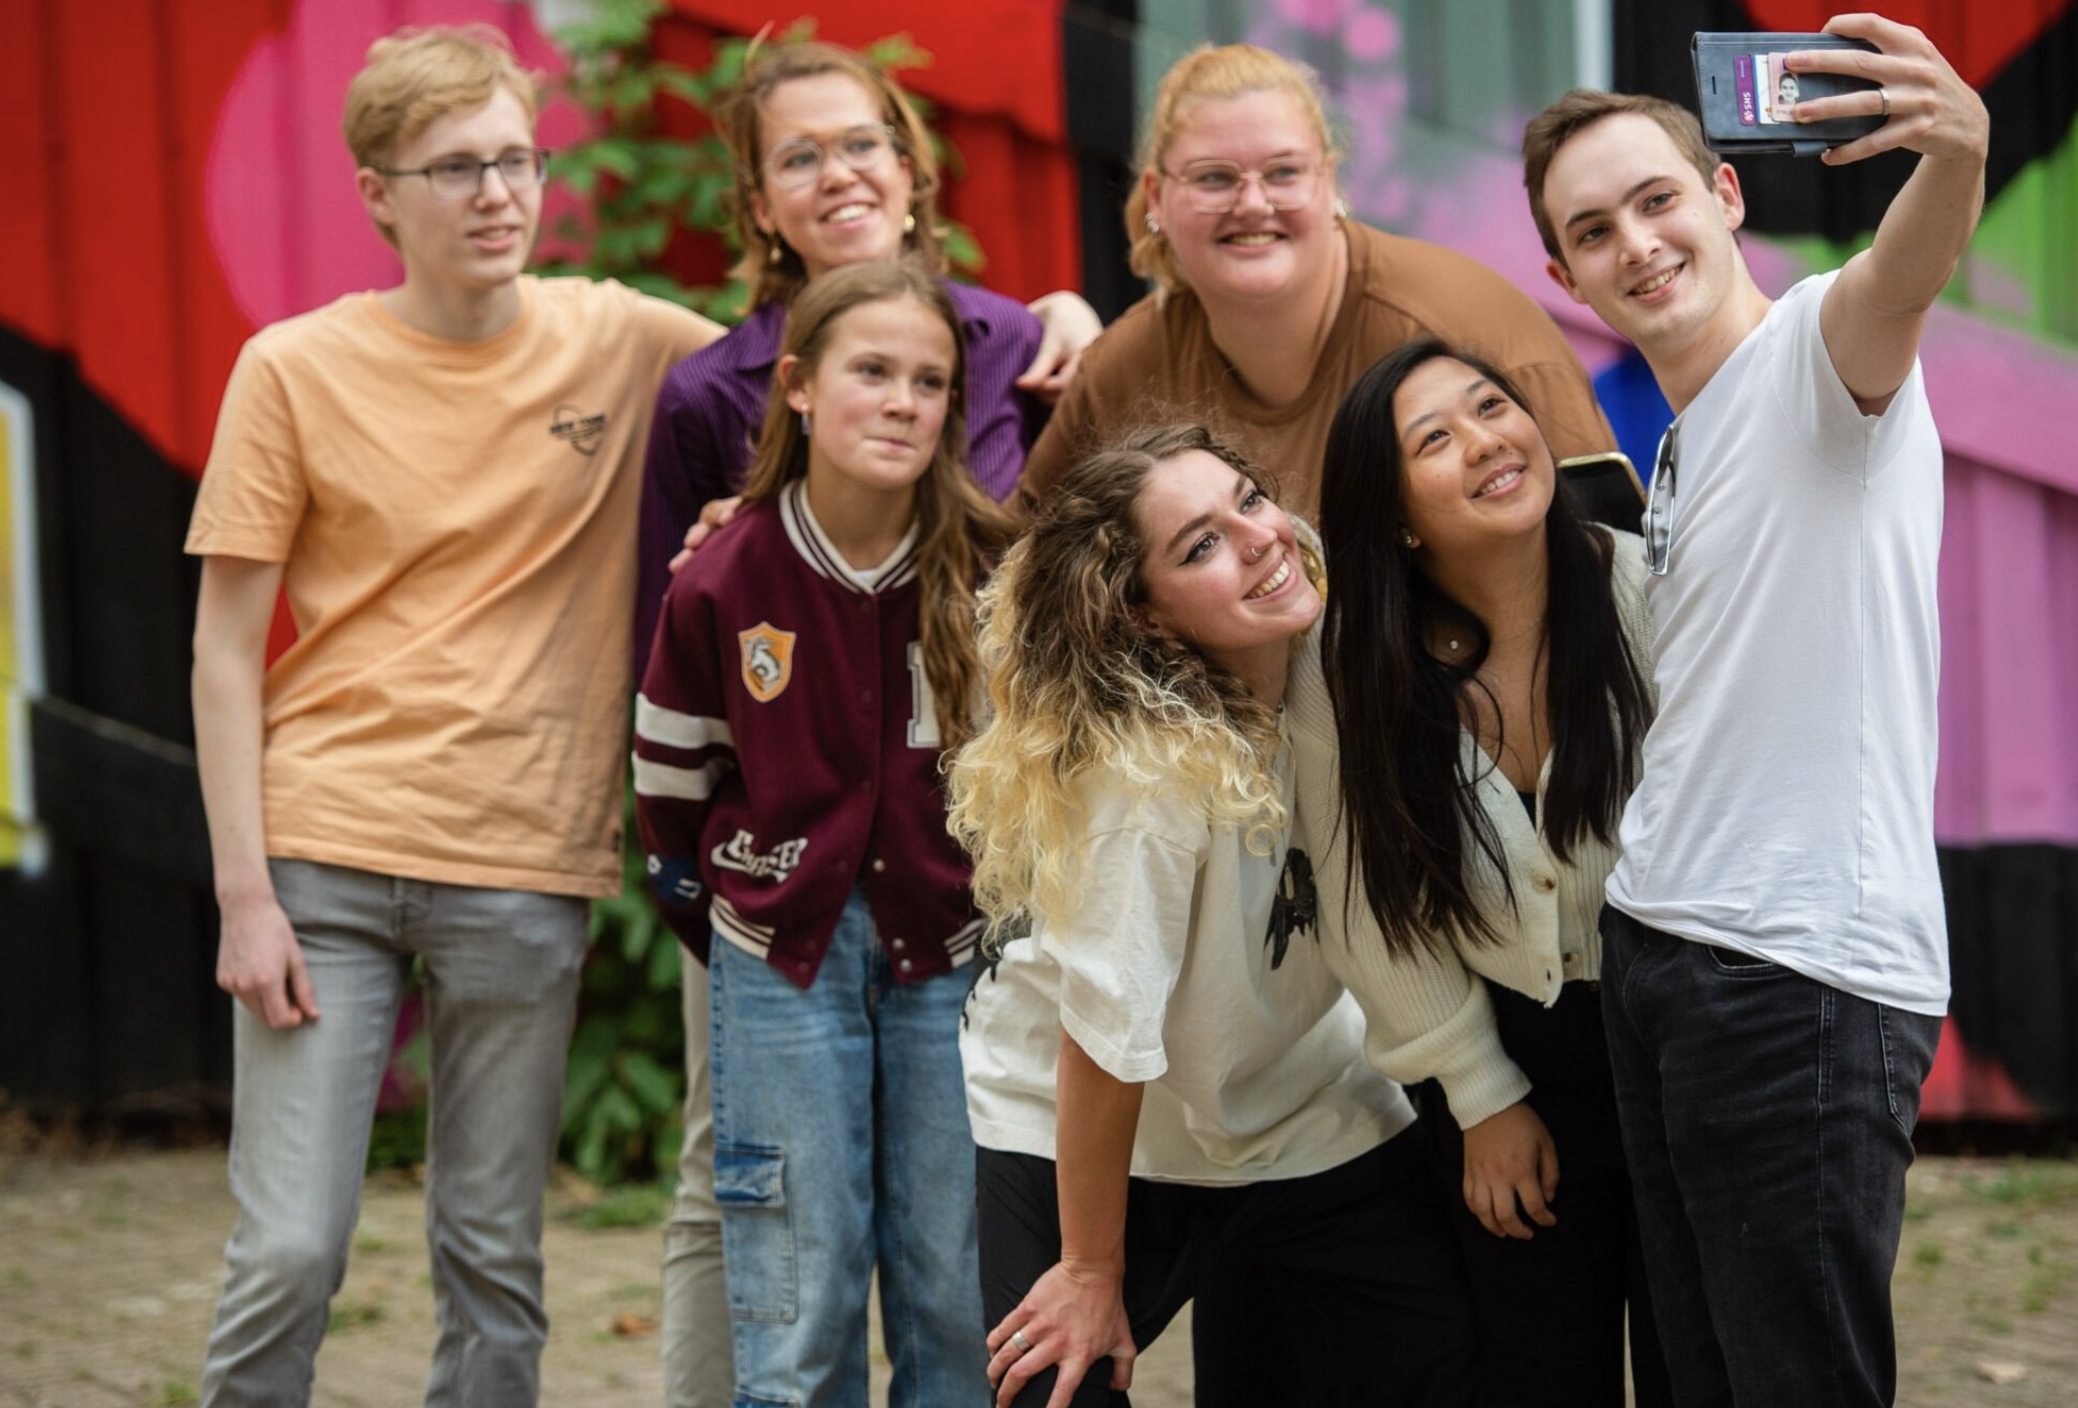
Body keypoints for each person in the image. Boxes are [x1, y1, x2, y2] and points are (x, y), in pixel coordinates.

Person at [186, 26, 722, 1407]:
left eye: (516, 161)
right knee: (292, 1247)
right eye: (455, 168)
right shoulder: (291, 370)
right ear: (377, 193)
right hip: (324, 857)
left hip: (518, 861)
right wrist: (245, 897)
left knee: (495, 1259)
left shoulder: (621, 340)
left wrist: (1047, 328)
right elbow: (227, 651)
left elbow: (831, 366)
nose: (496, 194)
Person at [1522, 13, 1984, 1404]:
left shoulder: (1813, 360)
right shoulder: (1681, 444)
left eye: (1657, 200)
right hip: (1663, 951)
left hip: (1797, 975)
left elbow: (1899, 278)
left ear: (1723, 195)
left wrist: (1954, 151)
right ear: (1564, 275)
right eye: (1593, 230)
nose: (1636, 244)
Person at [634, 54, 1095, 1397]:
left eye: (862, 146)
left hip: (953, 914)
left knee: (954, 1277)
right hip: (776, 917)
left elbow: (1055, 693)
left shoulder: (1017, 358)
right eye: (799, 157)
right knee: (789, 1253)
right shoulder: (713, 440)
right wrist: (722, 899)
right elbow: (668, 743)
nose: (900, 401)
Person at [949, 424, 1476, 1408]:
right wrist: (1090, 1270)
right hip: (1098, 1128)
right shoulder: (1141, 784)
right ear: (1144, 618)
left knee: (1441, 1369)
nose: (1258, 536)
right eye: (1198, 545)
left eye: (1248, 499)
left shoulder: (1343, 669)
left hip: (1304, 1103)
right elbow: (1101, 1043)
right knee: (1052, 1387)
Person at [634, 258, 1015, 1408]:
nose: (902, 400)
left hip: (950, 954)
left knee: (955, 1281)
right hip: (777, 960)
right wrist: (745, 922)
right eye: (872, 371)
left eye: (930, 381)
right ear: (797, 385)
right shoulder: (724, 573)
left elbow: (1033, 781)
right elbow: (670, 779)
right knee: (797, 1278)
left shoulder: (988, 569)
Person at [1297, 338, 1668, 1405]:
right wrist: (1480, 1097)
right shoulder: (1346, 666)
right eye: (1434, 437)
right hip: (1502, 1064)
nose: (1485, 440)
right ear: (1396, 512)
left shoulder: (1649, 588)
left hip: (1677, 1045)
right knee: (1533, 1375)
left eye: (1491, 406)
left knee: (1706, 1368)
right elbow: (1361, 902)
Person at [1013, 43, 1617, 521]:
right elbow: (1015, 568)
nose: (1252, 204)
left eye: (1283, 172)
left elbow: (1602, 554)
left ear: (1330, 183)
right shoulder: (1123, 370)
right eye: (1214, 178)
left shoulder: (1462, 331)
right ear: (1157, 197)